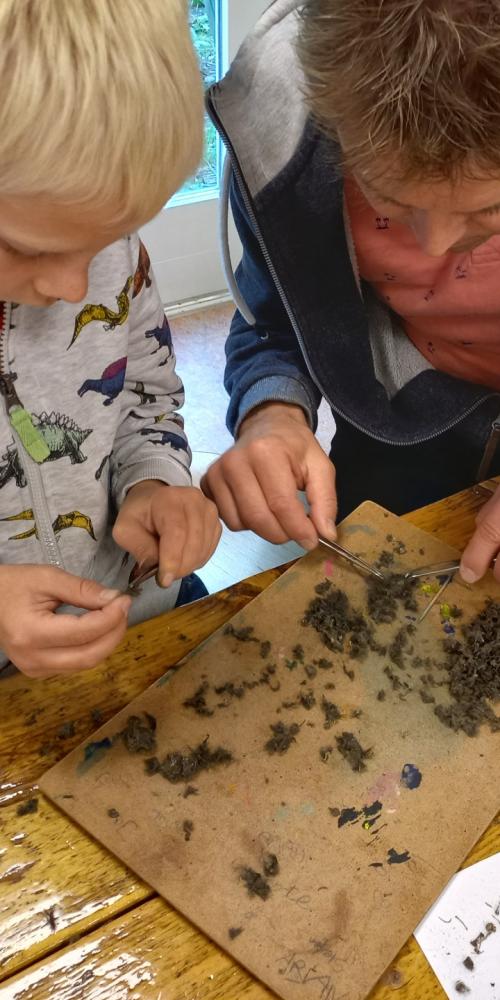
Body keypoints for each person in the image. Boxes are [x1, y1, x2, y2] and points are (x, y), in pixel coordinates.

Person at [203, 0, 500, 586]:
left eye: (489, 207)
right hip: (401, 426)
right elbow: (277, 317)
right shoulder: (289, 154)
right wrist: (273, 412)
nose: (436, 245)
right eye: (390, 196)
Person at [0, 0, 221, 679]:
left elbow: (145, 398)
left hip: (141, 609)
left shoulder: (106, 255)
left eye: (100, 247)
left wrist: (155, 483)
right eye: (24, 247)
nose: (73, 286)